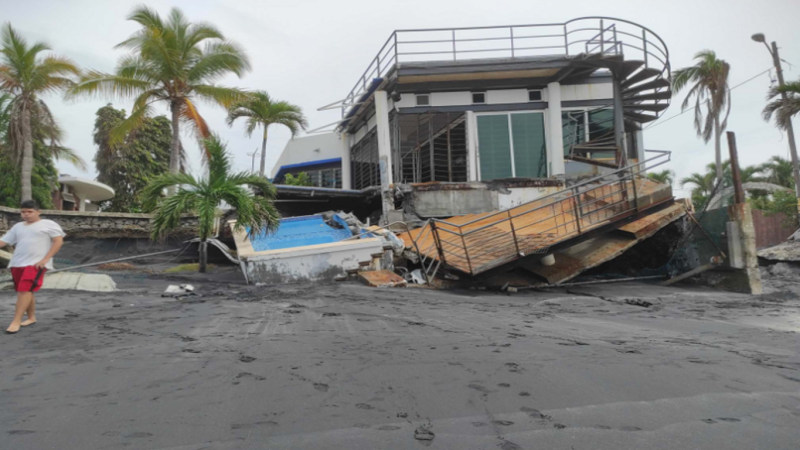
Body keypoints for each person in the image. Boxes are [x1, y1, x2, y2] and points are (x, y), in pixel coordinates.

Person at [0, 200, 65, 334]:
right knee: (25, 291)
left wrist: (45, 259)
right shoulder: (18, 226)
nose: (26, 214)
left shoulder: (48, 224)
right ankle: (31, 317)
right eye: (23, 212)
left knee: (24, 290)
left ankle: (16, 321)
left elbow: (58, 241)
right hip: (17, 263)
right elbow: (4, 241)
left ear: (38, 212)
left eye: (30, 212)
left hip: (36, 264)